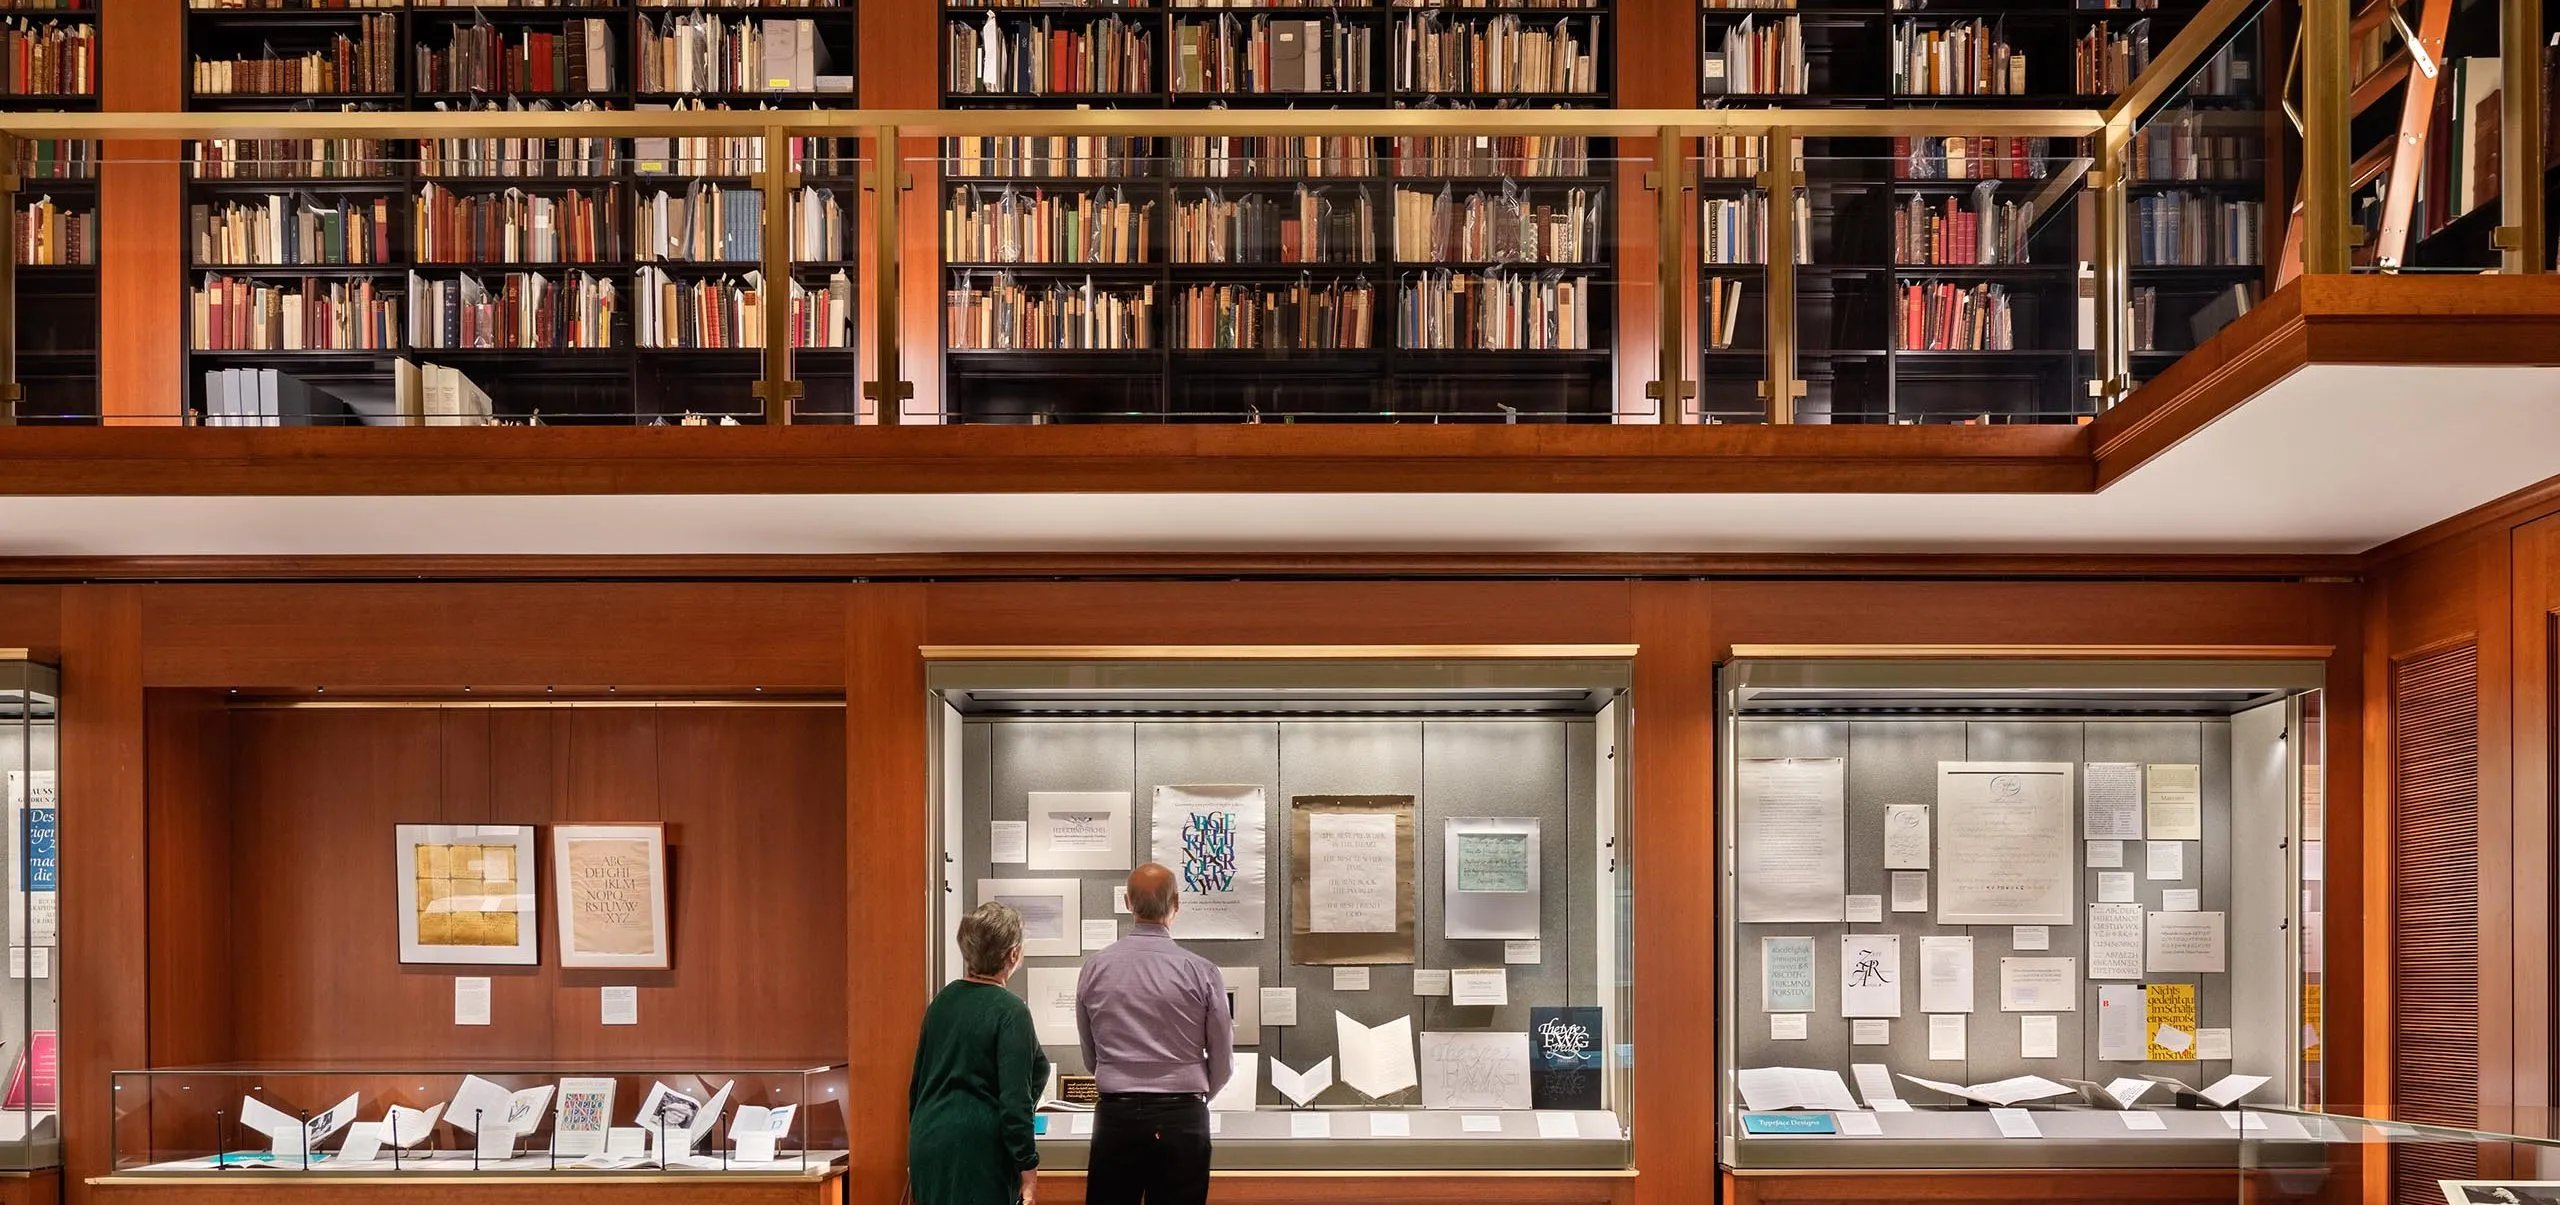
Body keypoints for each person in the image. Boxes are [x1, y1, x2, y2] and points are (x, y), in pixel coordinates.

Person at [1075, 863, 1233, 1205]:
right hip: (1182, 1118)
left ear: (1128, 901)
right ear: (1176, 902)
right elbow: (1223, 1063)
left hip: (1116, 1117)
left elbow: (1092, 1057)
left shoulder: (1095, 968)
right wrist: (1195, 1096)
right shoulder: (1202, 972)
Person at [909, 902, 1049, 1205]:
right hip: (978, 1151)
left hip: (928, 1142)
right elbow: (1015, 1101)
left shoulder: (942, 1002)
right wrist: (1028, 1166)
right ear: (1013, 954)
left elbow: (918, 1085)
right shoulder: (1011, 1012)